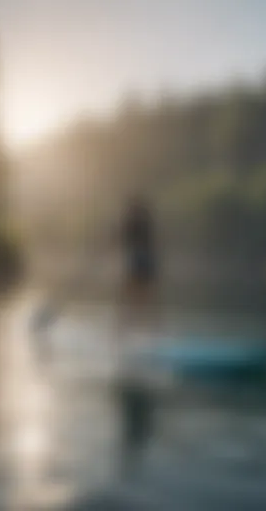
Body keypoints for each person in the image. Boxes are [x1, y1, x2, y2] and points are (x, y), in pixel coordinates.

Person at [116, 194, 160, 478]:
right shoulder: (143, 221)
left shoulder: (133, 222)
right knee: (142, 300)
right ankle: (147, 334)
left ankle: (125, 336)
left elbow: (122, 241)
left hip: (138, 261)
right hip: (147, 261)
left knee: (130, 299)